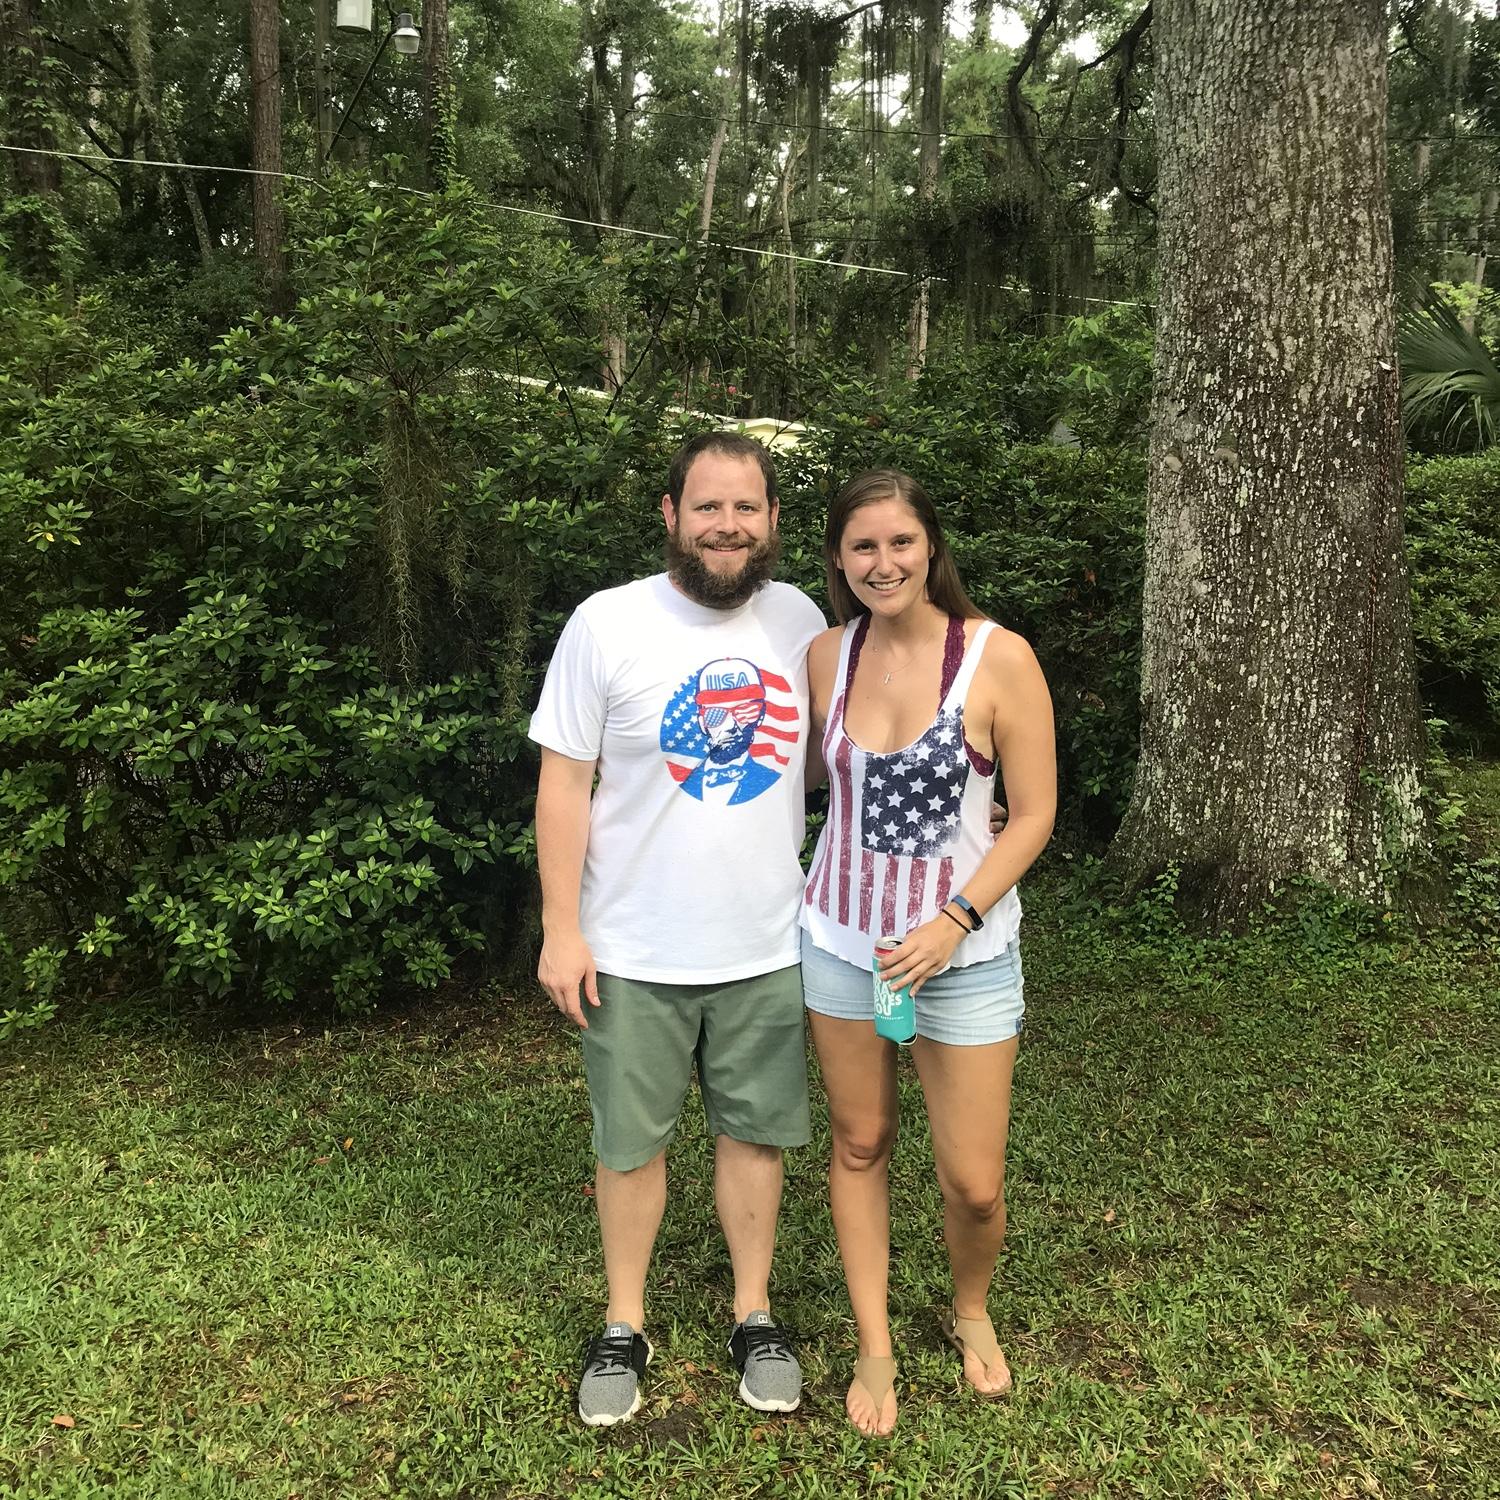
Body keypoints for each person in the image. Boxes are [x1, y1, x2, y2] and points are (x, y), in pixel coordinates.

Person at [529, 432, 825, 1427]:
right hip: (633, 947)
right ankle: (624, 1323)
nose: (725, 527)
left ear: (772, 520)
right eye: (707, 507)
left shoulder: (803, 621)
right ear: (670, 514)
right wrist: (561, 928)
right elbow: (563, 783)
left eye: (745, 508)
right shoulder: (607, 623)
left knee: (755, 1135)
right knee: (629, 1147)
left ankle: (754, 1313)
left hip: (767, 941)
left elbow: (845, 752)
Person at [799, 468, 1056, 1437]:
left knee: (974, 1184)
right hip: (841, 942)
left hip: (964, 958)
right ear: (837, 559)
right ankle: (875, 1343)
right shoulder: (827, 656)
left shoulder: (999, 658)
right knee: (860, 1142)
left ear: (931, 547)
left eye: (900, 542)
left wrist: (954, 920)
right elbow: (800, 780)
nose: (883, 562)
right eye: (862, 546)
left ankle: (970, 1306)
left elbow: (1034, 815)